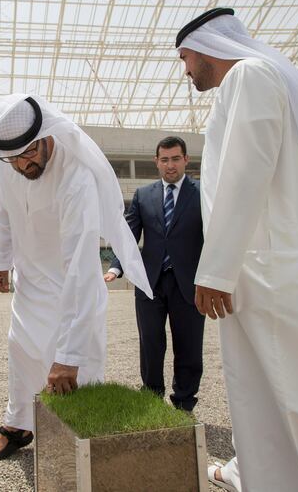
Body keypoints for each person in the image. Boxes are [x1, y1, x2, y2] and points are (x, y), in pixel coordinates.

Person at [176, 8, 298, 491]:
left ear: (205, 49)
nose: (184, 70)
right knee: (261, 399)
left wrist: (215, 270)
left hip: (271, 273)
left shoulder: (250, 74)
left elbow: (247, 173)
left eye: (184, 58)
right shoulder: (247, 82)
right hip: (258, 272)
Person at [0, 94, 153, 461]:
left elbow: (81, 268)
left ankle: (78, 452)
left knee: (74, 376)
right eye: (12, 158)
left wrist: (70, 355)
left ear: (45, 135)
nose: (23, 164)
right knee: (21, 353)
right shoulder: (8, 162)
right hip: (28, 284)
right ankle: (18, 424)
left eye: (28, 154)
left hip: (69, 293)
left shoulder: (77, 178)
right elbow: (3, 213)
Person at [105, 136, 204, 411]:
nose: (170, 165)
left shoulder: (204, 193)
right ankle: (151, 395)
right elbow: (129, 235)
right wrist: (116, 266)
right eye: (164, 159)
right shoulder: (143, 195)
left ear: (186, 159)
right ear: (156, 162)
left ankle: (184, 401)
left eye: (175, 159)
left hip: (189, 283)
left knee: (189, 344)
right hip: (150, 283)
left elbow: (212, 237)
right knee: (150, 342)